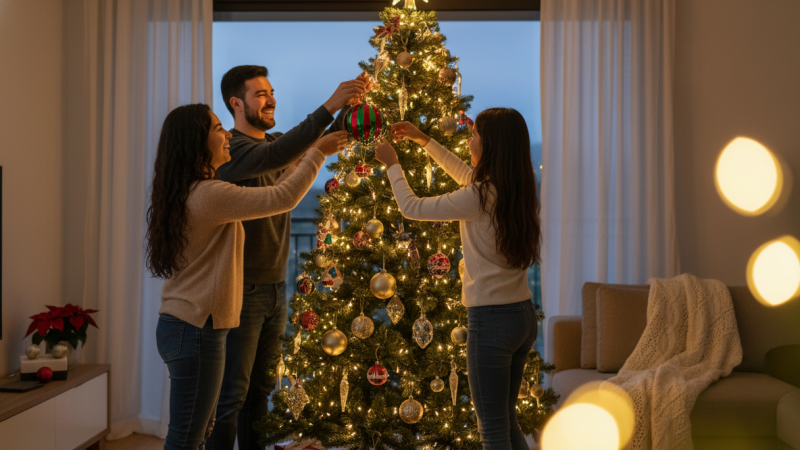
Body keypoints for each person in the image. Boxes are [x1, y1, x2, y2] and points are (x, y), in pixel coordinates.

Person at [145, 104, 344, 450]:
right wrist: (316, 154)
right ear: (196, 142)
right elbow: (282, 197)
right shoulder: (209, 194)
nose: (227, 136)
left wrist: (305, 159)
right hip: (195, 328)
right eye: (218, 128)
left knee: (198, 430)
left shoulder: (199, 190)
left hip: (188, 325)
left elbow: (272, 193)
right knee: (186, 438)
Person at [206, 66, 367, 450]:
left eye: (271, 92)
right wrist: (330, 105)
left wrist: (354, 108)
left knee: (261, 390)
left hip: (276, 286)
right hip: (241, 290)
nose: (271, 99)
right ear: (236, 103)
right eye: (260, 94)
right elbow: (284, 151)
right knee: (232, 396)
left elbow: (301, 145)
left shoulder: (272, 146)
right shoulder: (236, 150)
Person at [375, 109, 541, 450]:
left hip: (492, 321)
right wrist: (423, 140)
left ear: (491, 145)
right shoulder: (513, 189)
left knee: (492, 430)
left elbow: (412, 207)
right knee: (506, 422)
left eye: (475, 134)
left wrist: (392, 163)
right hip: (523, 317)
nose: (469, 139)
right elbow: (466, 176)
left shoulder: (479, 196)